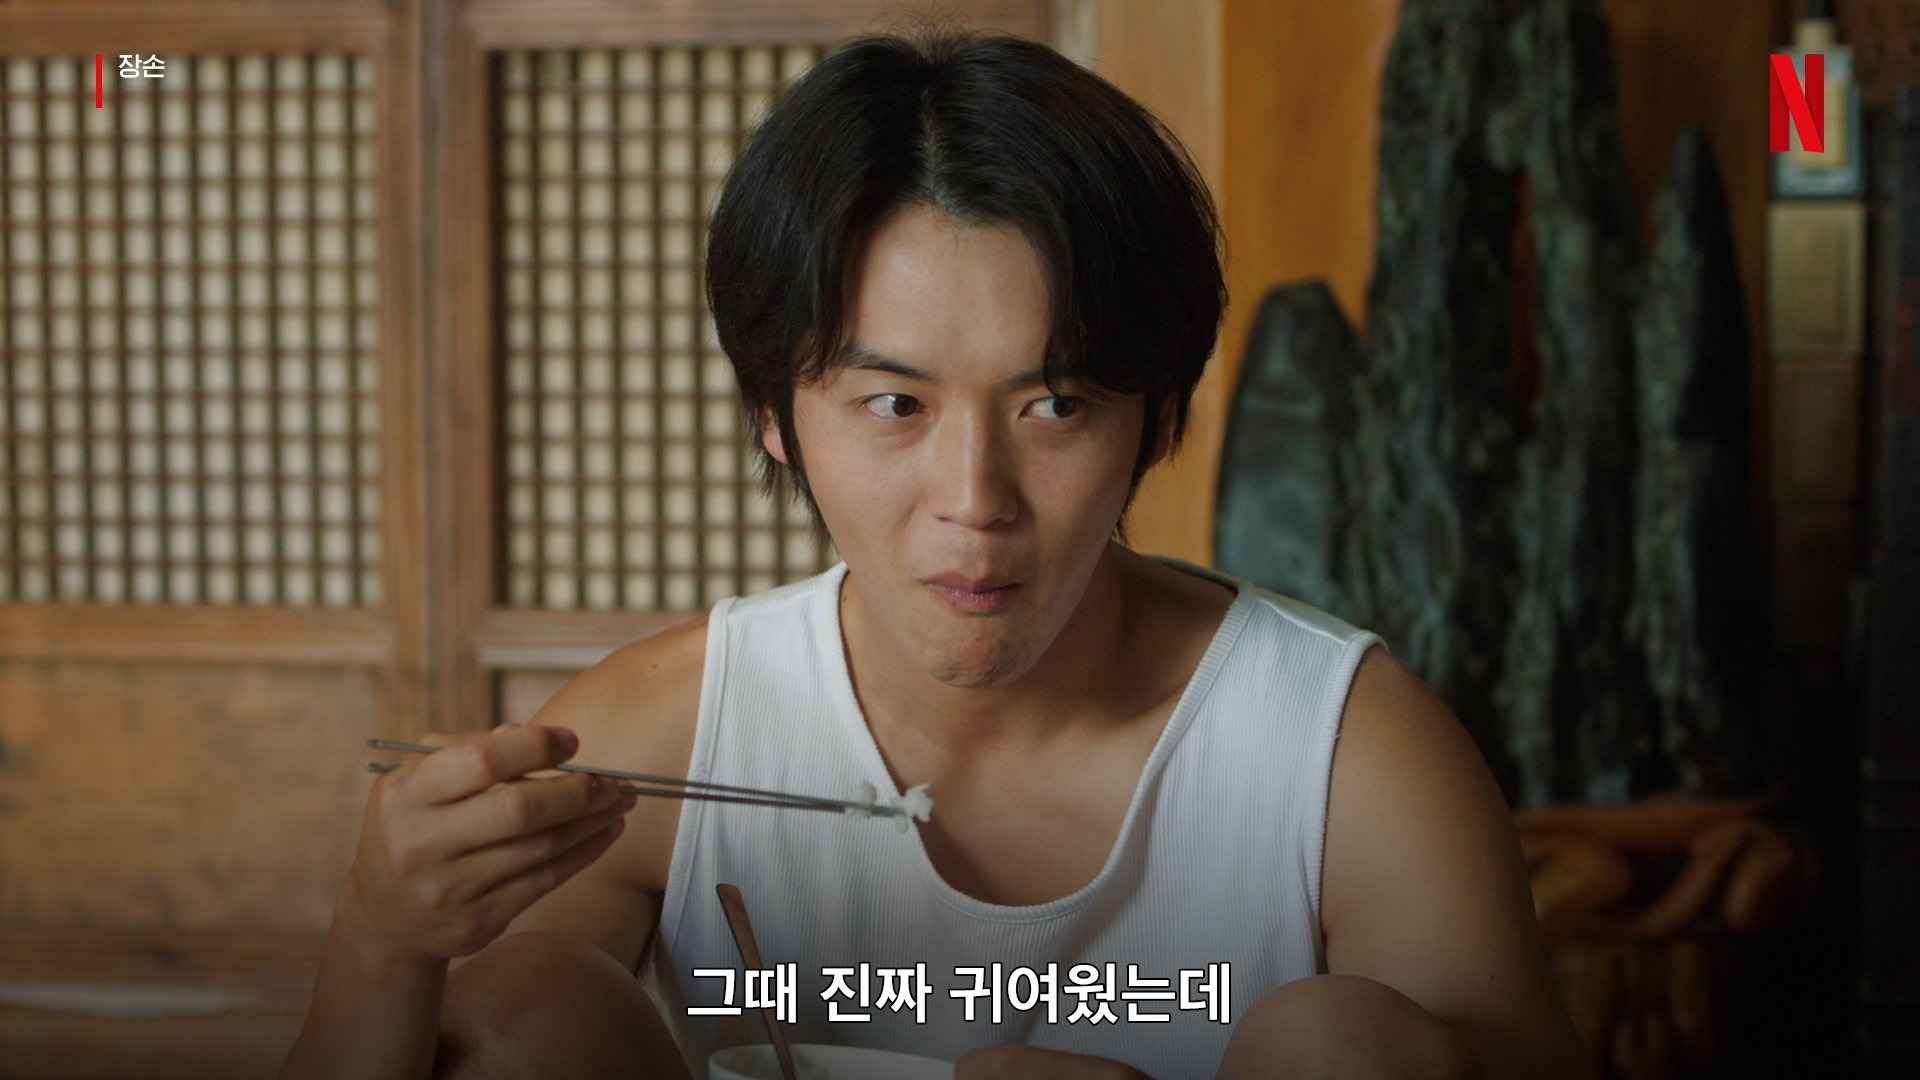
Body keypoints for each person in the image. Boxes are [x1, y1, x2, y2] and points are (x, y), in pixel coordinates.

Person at [280, 29, 1597, 1080]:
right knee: (517, 1008)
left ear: (1159, 417)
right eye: (893, 404)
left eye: (1056, 405)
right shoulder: (659, 745)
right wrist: (379, 937)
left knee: (1343, 1047)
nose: (974, 501)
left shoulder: (1346, 758)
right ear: (774, 415)